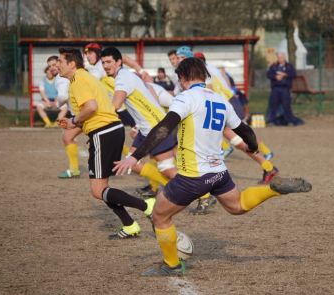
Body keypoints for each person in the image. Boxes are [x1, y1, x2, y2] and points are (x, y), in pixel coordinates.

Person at [112, 58, 312, 276]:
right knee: (238, 206)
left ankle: (171, 265)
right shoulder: (220, 101)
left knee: (160, 216)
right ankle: (273, 188)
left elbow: (162, 129)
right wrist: (254, 147)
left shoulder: (185, 98)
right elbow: (245, 130)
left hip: (193, 176)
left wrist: (136, 156)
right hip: (219, 172)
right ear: (204, 76)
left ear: (183, 78)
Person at [56, 47, 154, 238]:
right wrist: (73, 122)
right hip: (109, 130)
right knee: (102, 187)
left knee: (97, 189)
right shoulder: (84, 77)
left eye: (60, 61)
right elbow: (93, 108)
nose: (57, 65)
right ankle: (129, 225)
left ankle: (147, 205)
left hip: (104, 132)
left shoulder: (78, 80)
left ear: (71, 63)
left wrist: (74, 121)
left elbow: (91, 107)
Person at [193, 50, 279, 184]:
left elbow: (209, 91)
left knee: (239, 135)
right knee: (236, 138)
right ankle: (268, 166)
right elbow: (225, 79)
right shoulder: (211, 68)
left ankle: (266, 158)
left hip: (224, 104)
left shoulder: (201, 71)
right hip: (227, 102)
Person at [100, 47, 178, 194]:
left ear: (118, 62)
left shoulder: (123, 78)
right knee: (132, 163)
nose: (105, 66)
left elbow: (115, 105)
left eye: (109, 62)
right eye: (103, 62)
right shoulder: (124, 76)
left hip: (156, 128)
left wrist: (95, 121)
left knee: (167, 168)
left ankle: (203, 194)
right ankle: (165, 185)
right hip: (145, 128)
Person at [266, 52, 304, 126]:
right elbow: (268, 74)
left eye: (282, 57)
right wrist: (275, 77)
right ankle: (271, 120)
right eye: (279, 57)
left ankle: (289, 120)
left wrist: (285, 75)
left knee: (286, 105)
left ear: (284, 58)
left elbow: (294, 74)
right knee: (273, 105)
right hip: (275, 88)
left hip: (285, 89)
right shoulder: (273, 66)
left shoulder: (289, 66)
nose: (280, 59)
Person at [36, 61, 66, 128]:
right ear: (46, 72)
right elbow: (42, 92)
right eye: (48, 71)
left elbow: (60, 92)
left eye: (51, 71)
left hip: (57, 101)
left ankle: (56, 123)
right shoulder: (42, 81)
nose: (50, 73)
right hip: (46, 101)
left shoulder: (58, 80)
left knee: (65, 107)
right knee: (39, 106)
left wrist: (56, 101)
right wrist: (48, 102)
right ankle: (48, 123)